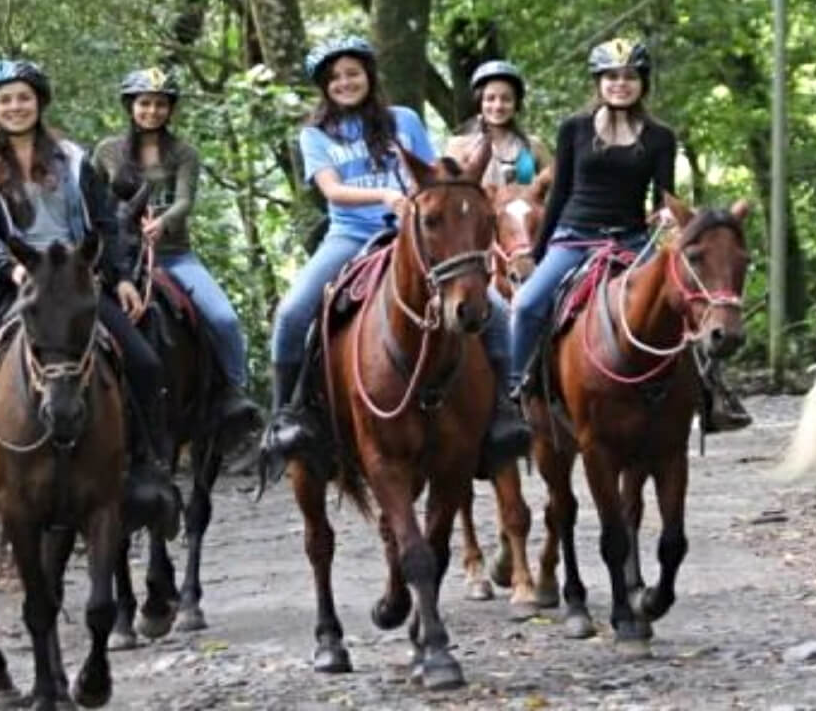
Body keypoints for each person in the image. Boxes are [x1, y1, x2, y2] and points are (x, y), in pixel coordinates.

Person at [0, 59, 181, 537]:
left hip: (74, 283)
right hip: (7, 283)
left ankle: (149, 469)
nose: (16, 107)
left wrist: (122, 276)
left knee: (144, 361)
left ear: (39, 102)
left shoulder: (74, 159)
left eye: (24, 97)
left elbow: (105, 221)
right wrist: (14, 266)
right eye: (6, 100)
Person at [261, 36, 530, 465]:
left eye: (353, 73)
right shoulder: (316, 134)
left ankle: (503, 409)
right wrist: (386, 196)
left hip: (415, 237)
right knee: (293, 312)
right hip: (349, 237)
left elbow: (432, 173)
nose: (346, 83)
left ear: (368, 75)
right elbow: (330, 189)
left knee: (495, 309)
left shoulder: (403, 119)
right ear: (325, 87)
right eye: (335, 78)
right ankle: (285, 416)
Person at [506, 38, 751, 432]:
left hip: (631, 241)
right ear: (598, 82)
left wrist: (666, 218)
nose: (621, 84)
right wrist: (538, 251)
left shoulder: (659, 137)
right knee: (527, 304)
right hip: (574, 236)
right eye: (612, 77)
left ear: (643, 83)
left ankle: (710, 392)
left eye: (630, 77)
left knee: (681, 300)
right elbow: (561, 192)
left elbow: (662, 196)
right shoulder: (574, 129)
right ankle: (515, 392)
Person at [91, 68, 256, 426]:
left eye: (160, 104)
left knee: (224, 319)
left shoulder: (183, 153)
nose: (152, 111)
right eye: (145, 103)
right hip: (119, 258)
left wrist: (163, 222)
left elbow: (184, 200)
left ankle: (235, 393)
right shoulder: (107, 151)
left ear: (170, 109)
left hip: (173, 255)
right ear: (131, 106)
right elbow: (92, 202)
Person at [444, 60, 553, 188]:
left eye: (506, 99)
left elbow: (557, 190)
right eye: (490, 99)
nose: (498, 106)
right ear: (480, 102)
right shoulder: (460, 146)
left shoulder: (531, 147)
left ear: (516, 104)